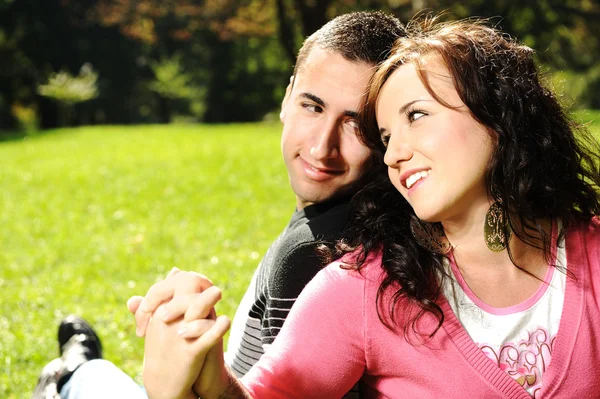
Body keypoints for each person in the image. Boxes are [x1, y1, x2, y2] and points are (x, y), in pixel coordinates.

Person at [138, 17, 600, 399]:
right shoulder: (361, 290)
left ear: (497, 113)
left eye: (415, 116)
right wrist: (208, 382)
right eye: (384, 137)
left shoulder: (591, 254)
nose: (395, 153)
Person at [32, 11, 406, 399]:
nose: (320, 147)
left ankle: (69, 373)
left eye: (355, 124)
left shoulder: (315, 252)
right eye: (312, 107)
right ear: (287, 97)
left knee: (95, 381)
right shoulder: (353, 221)